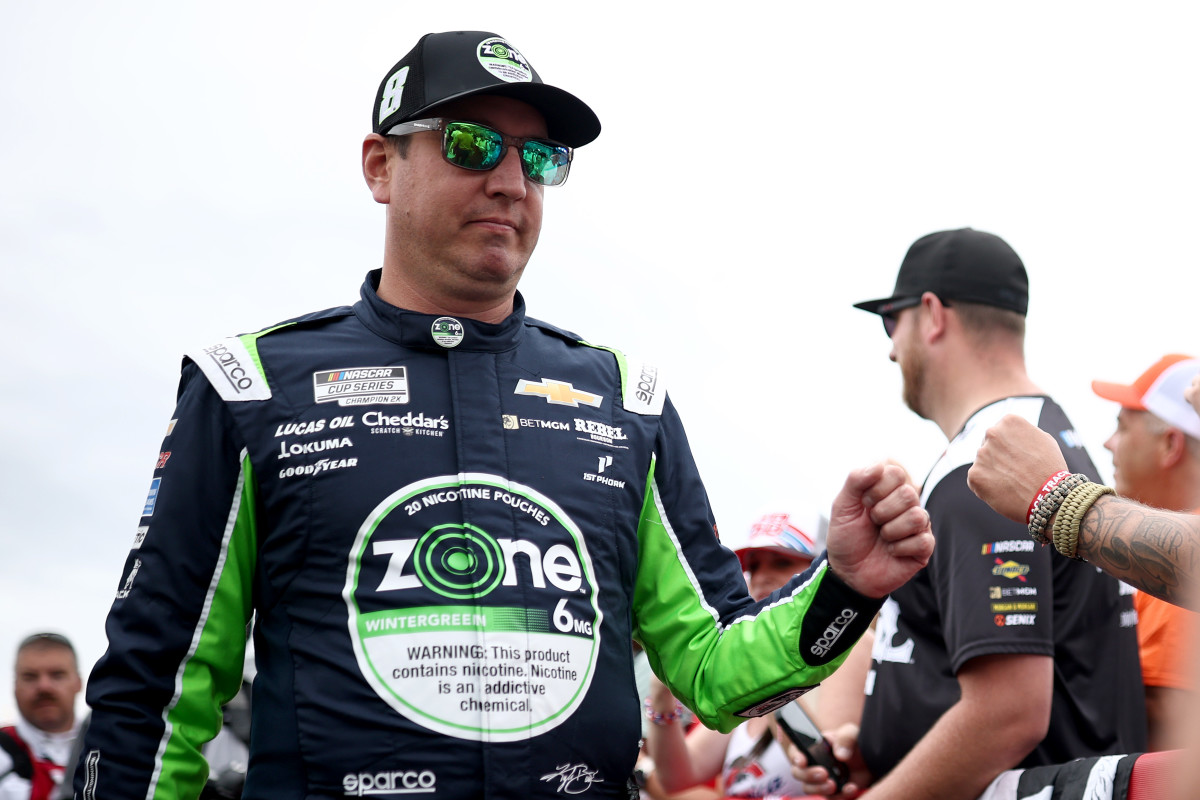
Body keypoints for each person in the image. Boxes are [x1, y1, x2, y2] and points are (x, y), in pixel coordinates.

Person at [74, 30, 934, 800]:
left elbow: (715, 668)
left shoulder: (625, 400)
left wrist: (846, 586)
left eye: (540, 158)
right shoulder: (251, 385)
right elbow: (156, 692)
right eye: (471, 143)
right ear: (380, 166)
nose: (511, 181)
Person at [793, 228, 1146, 799]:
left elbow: (1008, 714)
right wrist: (881, 749)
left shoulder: (985, 470)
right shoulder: (1049, 442)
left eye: (891, 321)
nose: (890, 349)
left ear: (932, 315)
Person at [645, 511, 828, 799]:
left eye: (782, 561)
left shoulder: (850, 650)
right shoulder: (750, 667)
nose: (762, 577)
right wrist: (661, 696)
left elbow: (833, 780)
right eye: (753, 566)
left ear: (820, 566)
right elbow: (677, 779)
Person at [1092, 354, 1200, 751]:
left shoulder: (1165, 557)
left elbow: (1165, 708)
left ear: (1170, 444)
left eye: (1122, 426)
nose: (1108, 442)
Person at [0, 634, 82, 800]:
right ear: (15, 686)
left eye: (57, 675)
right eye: (30, 677)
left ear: (78, 683)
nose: (44, 687)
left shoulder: (111, 751)